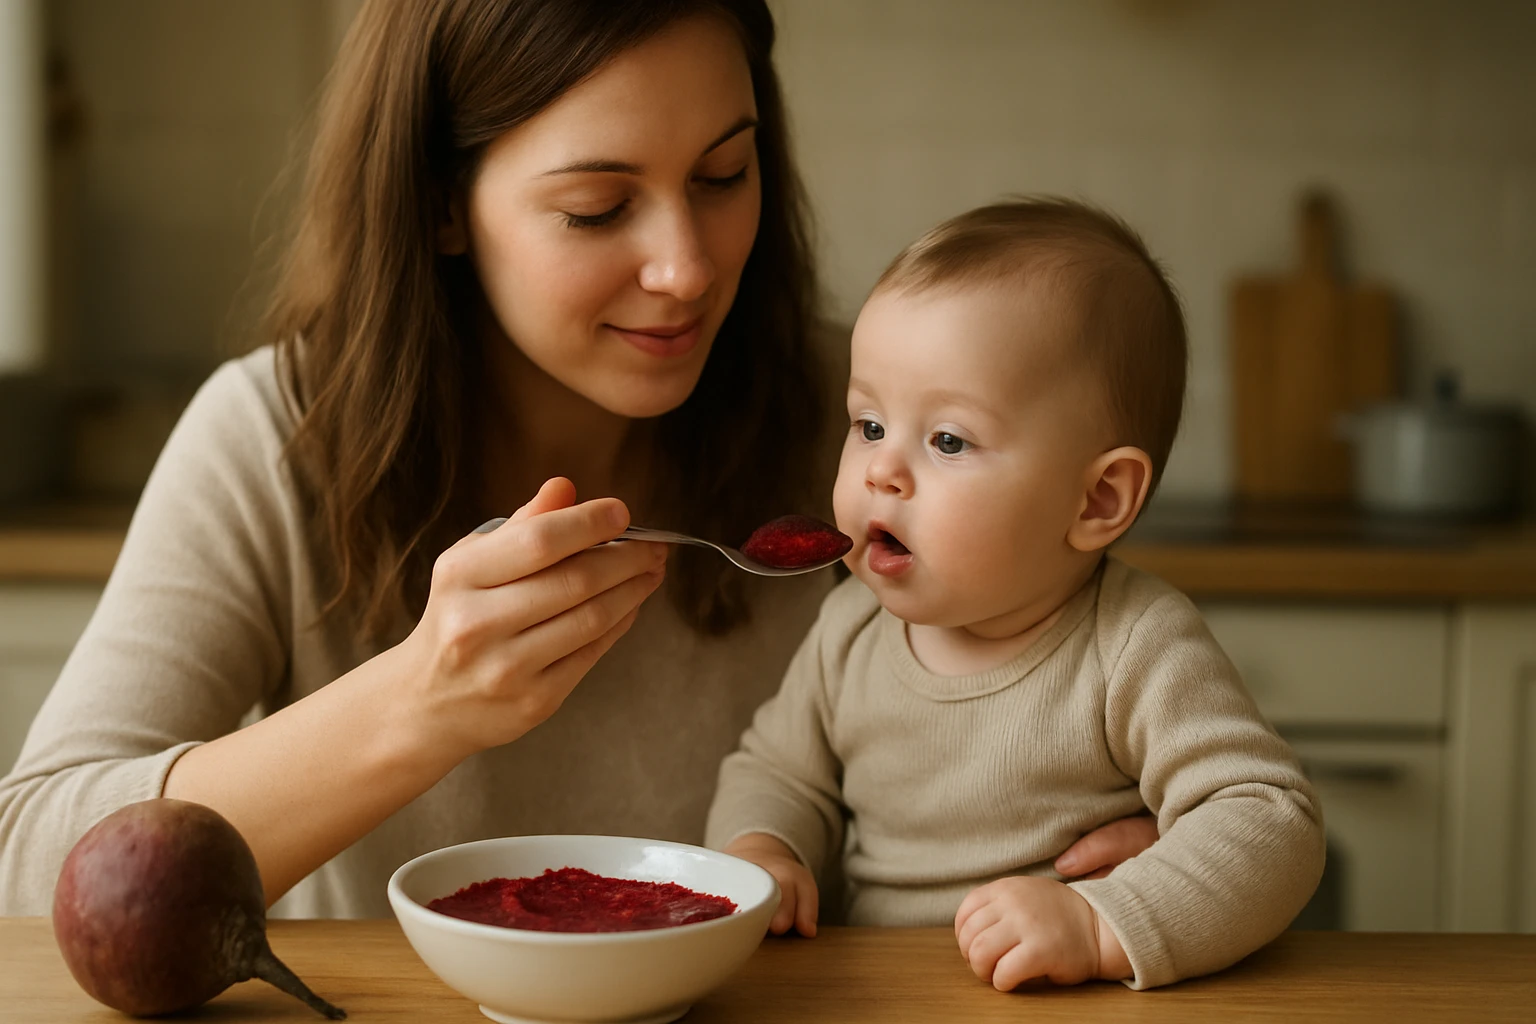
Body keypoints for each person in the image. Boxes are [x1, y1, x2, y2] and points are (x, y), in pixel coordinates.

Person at [0, 1, 1155, 918]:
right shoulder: (272, 437)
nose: (688, 269)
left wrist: (1148, 848)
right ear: (445, 205)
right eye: (600, 208)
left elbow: (1104, 706)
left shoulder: (872, 431)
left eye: (722, 176)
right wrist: (420, 702)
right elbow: (32, 866)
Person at [706, 199, 1326, 991]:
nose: (880, 471)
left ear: (1097, 501)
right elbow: (777, 771)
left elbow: (1271, 820)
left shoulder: (1134, 644)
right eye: (867, 424)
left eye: (949, 440)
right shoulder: (847, 627)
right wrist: (765, 848)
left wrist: (1104, 921)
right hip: (877, 994)